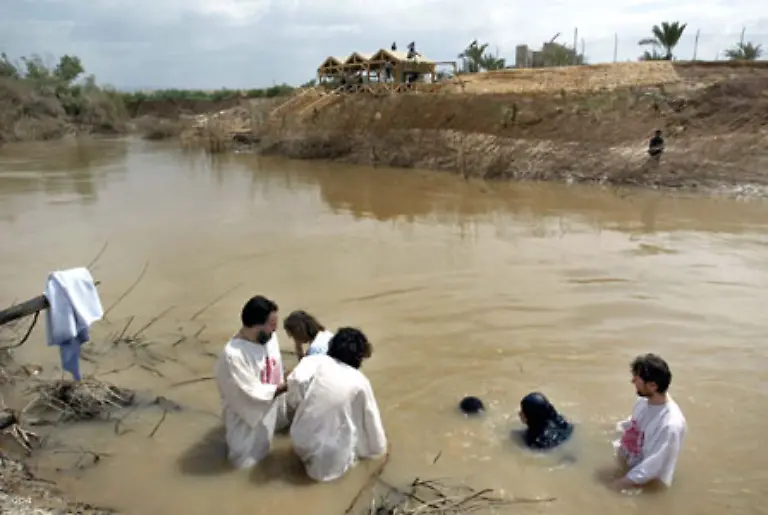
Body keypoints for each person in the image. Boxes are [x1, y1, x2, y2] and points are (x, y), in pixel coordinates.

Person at [289, 327, 387, 482]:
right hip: (327, 458)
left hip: (299, 437)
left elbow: (295, 381)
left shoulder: (314, 361)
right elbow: (370, 420)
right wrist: (379, 451)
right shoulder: (359, 381)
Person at [213, 295, 288, 469]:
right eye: (271, 325)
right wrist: (286, 386)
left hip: (270, 415)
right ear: (256, 326)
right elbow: (249, 394)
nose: (275, 330)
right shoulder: (233, 356)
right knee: (246, 465)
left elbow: (274, 368)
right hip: (246, 427)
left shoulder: (268, 338)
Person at [612, 353, 687, 490]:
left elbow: (651, 468)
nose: (632, 381)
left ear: (652, 386)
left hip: (648, 485)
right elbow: (632, 425)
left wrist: (617, 485)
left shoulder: (670, 425)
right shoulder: (644, 401)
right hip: (630, 467)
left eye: (637, 379)